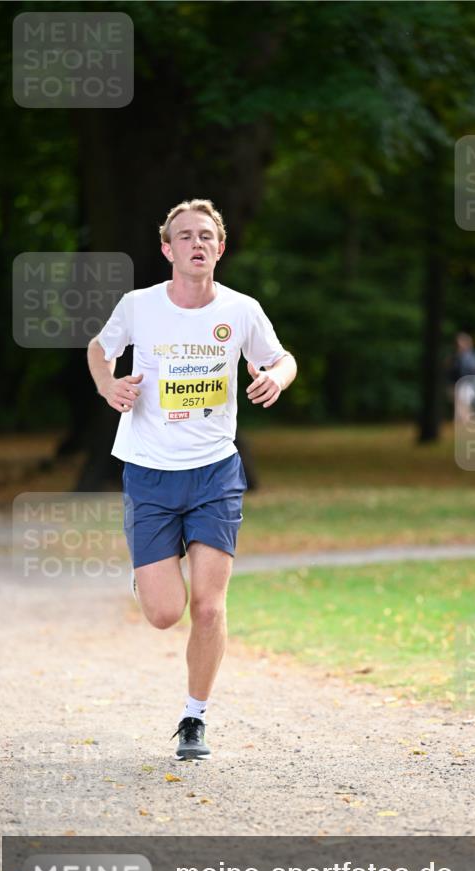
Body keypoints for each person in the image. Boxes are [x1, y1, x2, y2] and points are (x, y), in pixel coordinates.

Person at [87, 198, 297, 760]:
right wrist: (110, 387)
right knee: (164, 613)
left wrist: (275, 377)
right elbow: (98, 351)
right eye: (184, 236)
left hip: (215, 473)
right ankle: (148, 579)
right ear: (167, 248)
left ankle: (194, 716)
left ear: (220, 248)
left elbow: (283, 358)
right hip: (150, 473)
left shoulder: (242, 310)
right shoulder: (138, 306)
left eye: (206, 235)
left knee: (208, 605)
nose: (195, 243)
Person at [448, 332, 475, 423]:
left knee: (462, 404)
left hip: (468, 384)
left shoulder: (473, 358)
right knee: (460, 406)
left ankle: (469, 423)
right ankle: (464, 424)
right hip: (458, 385)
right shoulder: (457, 357)